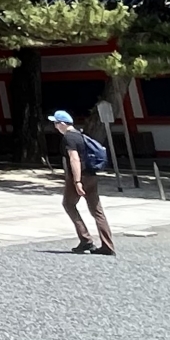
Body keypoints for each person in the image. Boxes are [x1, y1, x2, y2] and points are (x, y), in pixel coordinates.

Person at [51, 109, 114, 255]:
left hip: (80, 177)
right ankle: (107, 245)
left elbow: (74, 159)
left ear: (62, 124)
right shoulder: (80, 135)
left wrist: (77, 181)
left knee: (68, 204)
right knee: (97, 211)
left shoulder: (69, 138)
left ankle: (85, 240)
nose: (55, 127)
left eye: (55, 123)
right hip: (92, 176)